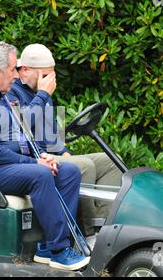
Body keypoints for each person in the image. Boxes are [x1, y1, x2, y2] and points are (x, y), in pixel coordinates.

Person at [0, 41, 89, 271]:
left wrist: (43, 155)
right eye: (14, 69)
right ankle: (59, 250)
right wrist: (34, 163)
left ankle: (47, 246)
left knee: (69, 172)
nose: (16, 76)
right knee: (40, 175)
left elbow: (17, 135)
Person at [7, 44, 123, 235]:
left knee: (111, 161)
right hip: (30, 157)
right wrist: (43, 94)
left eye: (52, 76)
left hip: (51, 154)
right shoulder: (11, 92)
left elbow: (51, 133)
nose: (49, 81)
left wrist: (63, 151)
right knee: (84, 165)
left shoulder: (41, 90)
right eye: (45, 75)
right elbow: (20, 129)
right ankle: (86, 234)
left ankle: (105, 228)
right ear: (25, 70)